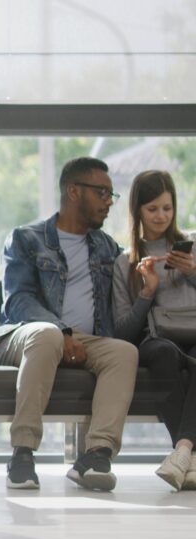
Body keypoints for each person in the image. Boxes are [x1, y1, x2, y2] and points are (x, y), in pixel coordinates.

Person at [0, 157, 138, 491]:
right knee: (46, 336)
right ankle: (22, 453)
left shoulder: (106, 246)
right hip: (23, 335)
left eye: (111, 196)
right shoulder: (26, 239)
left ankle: (95, 455)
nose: (108, 203)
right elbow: (18, 302)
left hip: (83, 340)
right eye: (102, 193)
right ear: (73, 191)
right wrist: (61, 330)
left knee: (124, 353)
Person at [112, 170, 196, 490]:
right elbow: (122, 332)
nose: (161, 216)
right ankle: (190, 452)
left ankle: (183, 453)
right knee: (161, 352)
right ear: (137, 211)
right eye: (153, 209)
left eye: (167, 208)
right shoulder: (125, 262)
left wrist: (192, 273)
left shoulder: (193, 246)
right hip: (156, 340)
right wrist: (147, 292)